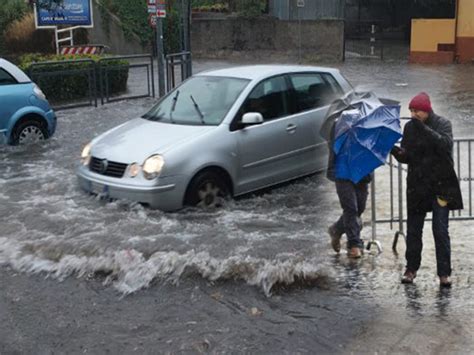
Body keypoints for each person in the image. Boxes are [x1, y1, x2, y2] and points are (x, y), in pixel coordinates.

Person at [391, 92, 463, 287]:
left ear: (427, 110)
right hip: (418, 185)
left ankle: (444, 273)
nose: (414, 115)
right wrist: (394, 150)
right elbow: (407, 156)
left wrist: (423, 128)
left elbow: (445, 145)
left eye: (418, 111)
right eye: (412, 111)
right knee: (414, 229)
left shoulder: (443, 124)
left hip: (441, 185)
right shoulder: (409, 127)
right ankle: (411, 268)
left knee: (440, 230)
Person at [325, 116, 371, 259]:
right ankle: (354, 244)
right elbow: (332, 146)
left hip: (361, 172)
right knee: (350, 208)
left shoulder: (369, 127)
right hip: (342, 171)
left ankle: (336, 230)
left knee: (360, 207)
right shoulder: (338, 125)